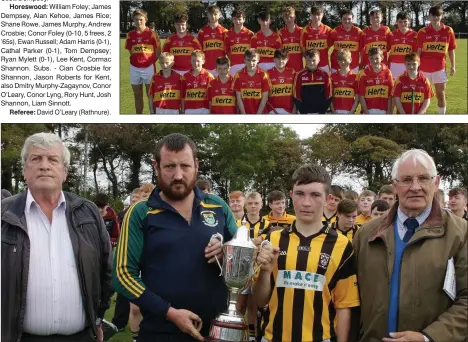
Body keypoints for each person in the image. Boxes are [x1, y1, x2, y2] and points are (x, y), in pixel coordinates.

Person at [113, 133, 238, 342]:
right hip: (160, 333)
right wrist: (170, 312)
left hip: (216, 333)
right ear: (157, 167)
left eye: (185, 166)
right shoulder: (140, 213)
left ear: (196, 166)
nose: (178, 175)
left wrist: (226, 251)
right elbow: (123, 275)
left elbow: (242, 256)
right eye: (170, 167)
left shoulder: (217, 206)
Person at [1, 132, 112, 342]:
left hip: (80, 337)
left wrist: (98, 318)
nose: (44, 165)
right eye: (36, 159)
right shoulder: (4, 214)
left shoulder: (87, 213)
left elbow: (105, 271)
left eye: (53, 159)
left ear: (65, 172)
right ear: (25, 170)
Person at [353, 149, 468, 342]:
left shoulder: (462, 234)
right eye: (406, 180)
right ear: (395, 186)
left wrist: (428, 338)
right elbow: (349, 299)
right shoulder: (365, 234)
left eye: (423, 178)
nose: (415, 187)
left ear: (436, 182)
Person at [253, 164, 360, 342]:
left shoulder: (342, 246)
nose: (306, 203)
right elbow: (259, 301)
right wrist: (265, 271)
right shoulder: (272, 240)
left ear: (328, 198)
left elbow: (344, 306)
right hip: (273, 337)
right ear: (291, 195)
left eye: (315, 195)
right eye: (300, 194)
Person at [235, 191, 271, 342]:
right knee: (240, 305)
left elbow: (267, 244)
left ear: (261, 205)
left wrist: (251, 242)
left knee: (256, 305)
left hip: (258, 269)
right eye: (250, 203)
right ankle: (236, 331)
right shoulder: (237, 223)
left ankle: (252, 335)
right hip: (241, 269)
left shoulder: (268, 225)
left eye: (256, 203)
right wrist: (253, 242)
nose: (253, 206)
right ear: (245, 205)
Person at [417, 5, 457, 114]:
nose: (435, 18)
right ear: (429, 17)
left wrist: (453, 66)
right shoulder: (422, 32)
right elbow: (419, 51)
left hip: (440, 68)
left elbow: (451, 50)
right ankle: (421, 118)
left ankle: (441, 117)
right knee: (421, 95)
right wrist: (416, 67)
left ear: (442, 16)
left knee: (440, 94)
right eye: (433, 16)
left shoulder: (449, 31)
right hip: (424, 69)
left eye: (438, 15)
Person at [125, 9, 161, 114]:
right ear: (133, 20)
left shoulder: (152, 34)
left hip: (149, 68)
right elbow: (131, 51)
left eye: (141, 19)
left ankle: (152, 115)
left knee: (150, 94)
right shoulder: (130, 35)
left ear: (146, 20)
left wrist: (149, 62)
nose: (138, 22)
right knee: (137, 94)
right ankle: (138, 117)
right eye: (136, 20)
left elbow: (158, 51)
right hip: (134, 68)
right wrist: (138, 62)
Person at [293, 49, 332, 114]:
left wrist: (322, 111)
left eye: (314, 60)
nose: (311, 63)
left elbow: (329, 95)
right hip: (304, 112)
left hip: (321, 112)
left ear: (319, 60)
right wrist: (302, 111)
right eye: (309, 60)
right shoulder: (299, 75)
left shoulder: (325, 74)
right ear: (305, 60)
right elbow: (296, 95)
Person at [233, 49, 271, 114]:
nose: (251, 63)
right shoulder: (238, 75)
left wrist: (258, 115)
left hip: (260, 113)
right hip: (244, 113)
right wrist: (244, 114)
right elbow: (238, 98)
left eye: (253, 60)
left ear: (258, 60)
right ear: (244, 60)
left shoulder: (264, 75)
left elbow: (265, 97)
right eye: (248, 60)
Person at [358, 47, 394, 114]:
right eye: (371, 58)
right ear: (368, 58)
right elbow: (361, 96)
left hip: (384, 111)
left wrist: (389, 111)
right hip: (368, 111)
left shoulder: (388, 73)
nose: (374, 61)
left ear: (382, 57)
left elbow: (390, 95)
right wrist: (366, 112)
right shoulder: (363, 74)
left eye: (377, 58)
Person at [300, 5, 333, 74]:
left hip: (324, 66)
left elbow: (331, 48)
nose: (316, 17)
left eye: (318, 14)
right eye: (314, 14)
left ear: (322, 15)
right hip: (310, 66)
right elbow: (303, 50)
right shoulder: (305, 30)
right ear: (311, 15)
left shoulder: (328, 30)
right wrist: (310, 62)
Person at [197, 5, 228, 77]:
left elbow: (228, 51)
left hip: (220, 67)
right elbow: (199, 51)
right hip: (206, 67)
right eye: (211, 14)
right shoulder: (202, 31)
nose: (213, 16)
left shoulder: (225, 32)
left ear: (219, 15)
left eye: (215, 14)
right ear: (207, 15)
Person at [181, 50, 214, 114]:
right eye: (193, 61)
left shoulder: (209, 76)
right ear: (190, 61)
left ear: (203, 61)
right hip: (189, 110)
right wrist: (182, 111)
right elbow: (182, 96)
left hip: (204, 110)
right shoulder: (185, 76)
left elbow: (211, 97)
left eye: (198, 61)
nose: (195, 63)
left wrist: (211, 111)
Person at [329, 10, 362, 74]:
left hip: (353, 67)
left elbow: (362, 50)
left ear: (353, 19)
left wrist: (361, 62)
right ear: (341, 19)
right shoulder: (334, 31)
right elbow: (327, 48)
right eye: (344, 19)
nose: (347, 21)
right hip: (336, 67)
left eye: (349, 19)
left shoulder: (358, 32)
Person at [388, 12, 418, 80]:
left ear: (409, 22)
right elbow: (385, 49)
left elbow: (416, 53)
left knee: (407, 87)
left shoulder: (415, 35)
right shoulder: (391, 34)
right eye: (400, 21)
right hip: (394, 65)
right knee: (394, 87)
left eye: (405, 21)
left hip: (409, 64)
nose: (403, 24)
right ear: (396, 22)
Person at [224, 8, 254, 76]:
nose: (237, 21)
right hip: (233, 66)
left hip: (247, 65)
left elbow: (253, 51)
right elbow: (227, 51)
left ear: (244, 19)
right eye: (235, 19)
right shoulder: (228, 34)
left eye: (239, 19)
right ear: (232, 19)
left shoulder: (250, 34)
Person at [267, 48, 296, 114]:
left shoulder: (292, 72)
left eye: (283, 59)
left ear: (287, 59)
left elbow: (296, 95)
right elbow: (265, 96)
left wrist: (294, 111)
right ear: (274, 59)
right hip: (272, 111)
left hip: (289, 111)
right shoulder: (267, 73)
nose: (281, 61)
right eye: (278, 58)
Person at [330, 49, 359, 114]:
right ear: (337, 61)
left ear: (350, 60)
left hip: (350, 111)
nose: (343, 62)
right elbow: (330, 97)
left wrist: (351, 112)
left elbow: (357, 98)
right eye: (340, 60)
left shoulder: (355, 77)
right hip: (336, 111)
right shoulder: (332, 77)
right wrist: (333, 111)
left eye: (345, 60)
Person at [278, 7, 303, 72]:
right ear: (284, 18)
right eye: (286, 17)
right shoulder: (280, 33)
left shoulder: (302, 31)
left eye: (291, 17)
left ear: (294, 17)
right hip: (285, 69)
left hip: (299, 68)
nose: (289, 19)